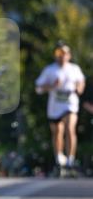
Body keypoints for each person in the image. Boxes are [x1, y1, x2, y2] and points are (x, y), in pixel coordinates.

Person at [35, 41, 85, 177]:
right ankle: (59, 158)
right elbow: (38, 88)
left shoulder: (74, 69)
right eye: (59, 53)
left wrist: (79, 88)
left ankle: (70, 159)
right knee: (57, 132)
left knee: (70, 127)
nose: (62, 56)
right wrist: (51, 86)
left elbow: (81, 81)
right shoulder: (50, 70)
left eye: (64, 53)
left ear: (69, 55)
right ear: (55, 55)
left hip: (70, 104)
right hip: (55, 106)